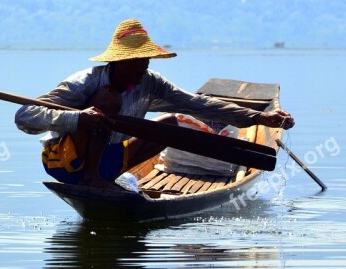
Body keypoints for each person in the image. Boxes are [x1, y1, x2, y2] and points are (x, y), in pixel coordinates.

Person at [15, 19, 295, 189]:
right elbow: (25, 116)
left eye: (147, 59)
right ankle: (92, 180)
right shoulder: (85, 83)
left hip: (108, 161)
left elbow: (197, 104)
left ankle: (104, 180)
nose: (145, 66)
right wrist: (79, 118)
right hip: (67, 163)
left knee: (170, 124)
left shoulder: (150, 82)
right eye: (139, 60)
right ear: (120, 61)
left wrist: (258, 118)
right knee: (107, 99)